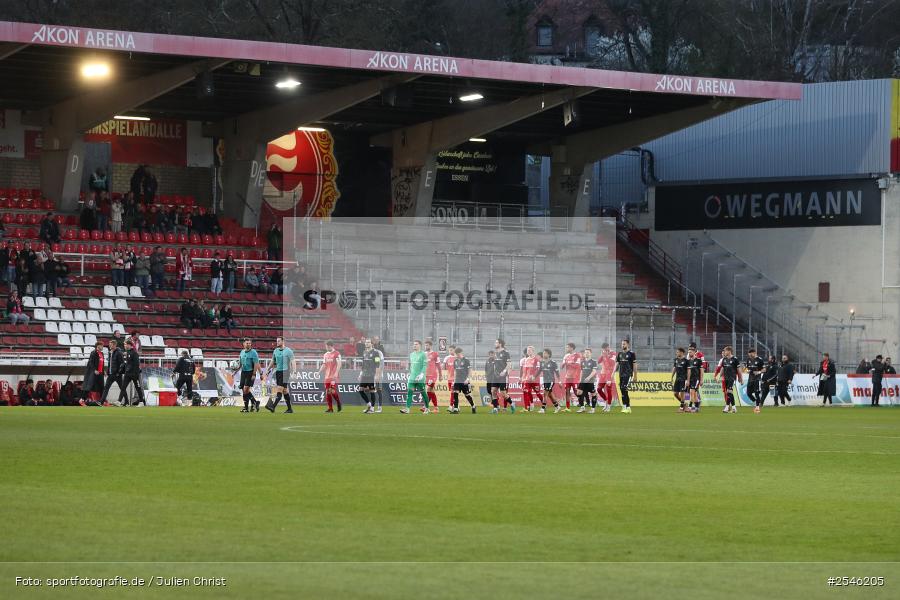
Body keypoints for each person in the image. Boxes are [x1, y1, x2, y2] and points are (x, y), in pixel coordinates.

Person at [267, 336, 296, 413]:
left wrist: (294, 371)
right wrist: (268, 369)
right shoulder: (275, 351)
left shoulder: (288, 351)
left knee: (279, 389)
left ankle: (273, 407)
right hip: (278, 372)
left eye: (279, 341)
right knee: (285, 391)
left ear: (283, 341)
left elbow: (293, 361)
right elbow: (273, 361)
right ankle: (289, 409)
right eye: (277, 341)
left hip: (286, 371)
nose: (277, 342)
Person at [714, 346, 743, 414]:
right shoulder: (724, 359)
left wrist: (740, 378)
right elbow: (722, 369)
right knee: (729, 393)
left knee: (729, 391)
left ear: (729, 351)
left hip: (732, 378)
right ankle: (734, 407)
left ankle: (727, 407)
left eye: (725, 351)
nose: (724, 352)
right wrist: (719, 376)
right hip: (726, 378)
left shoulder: (735, 359)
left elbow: (739, 370)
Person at [118, 339, 146, 406]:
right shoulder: (127, 353)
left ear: (129, 345)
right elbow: (128, 364)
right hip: (128, 374)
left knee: (138, 388)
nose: (124, 346)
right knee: (123, 387)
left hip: (134, 374)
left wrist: (136, 374)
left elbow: (136, 364)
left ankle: (141, 402)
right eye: (124, 344)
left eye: (125, 344)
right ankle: (119, 401)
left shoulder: (134, 353)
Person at [403, 340, 427, 415]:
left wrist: (422, 374)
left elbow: (425, 365)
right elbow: (411, 366)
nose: (414, 346)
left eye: (416, 344)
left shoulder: (423, 354)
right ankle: (407, 409)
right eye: (414, 344)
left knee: (423, 393)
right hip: (412, 377)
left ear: (420, 345)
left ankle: (427, 408)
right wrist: (409, 374)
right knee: (409, 392)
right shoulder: (411, 354)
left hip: (420, 378)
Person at [449, 347, 476, 414]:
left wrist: (468, 379)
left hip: (464, 380)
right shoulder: (455, 361)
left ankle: (473, 406)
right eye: (456, 354)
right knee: (455, 393)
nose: (456, 356)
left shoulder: (466, 360)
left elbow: (470, 370)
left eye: (457, 354)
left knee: (467, 395)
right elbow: (455, 371)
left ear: (460, 353)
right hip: (457, 380)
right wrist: (454, 381)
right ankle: (455, 409)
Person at [359, 338, 382, 414]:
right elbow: (363, 364)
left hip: (371, 375)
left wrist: (377, 375)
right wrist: (360, 374)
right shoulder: (364, 352)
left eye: (368, 342)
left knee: (372, 391)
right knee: (361, 390)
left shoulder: (376, 353)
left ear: (372, 344)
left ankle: (372, 408)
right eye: (366, 342)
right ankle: (368, 404)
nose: (367, 343)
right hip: (364, 374)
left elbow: (378, 364)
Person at [238, 338, 261, 412]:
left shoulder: (253, 352)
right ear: (243, 344)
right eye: (247, 343)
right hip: (243, 372)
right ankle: (253, 403)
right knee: (244, 390)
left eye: (249, 343)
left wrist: (254, 374)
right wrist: (234, 371)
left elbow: (256, 364)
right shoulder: (242, 352)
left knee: (246, 390)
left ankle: (247, 406)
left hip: (250, 372)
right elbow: (240, 364)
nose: (248, 344)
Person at [99, 339, 124, 406]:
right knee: (106, 388)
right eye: (109, 344)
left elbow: (122, 364)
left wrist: (119, 373)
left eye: (111, 344)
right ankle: (101, 402)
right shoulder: (110, 352)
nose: (110, 346)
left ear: (115, 345)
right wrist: (107, 371)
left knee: (122, 388)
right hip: (110, 374)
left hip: (117, 375)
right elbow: (110, 363)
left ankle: (126, 402)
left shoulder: (119, 352)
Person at [319, 340, 342, 413]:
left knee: (332, 390)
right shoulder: (325, 354)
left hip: (334, 376)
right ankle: (330, 408)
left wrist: (336, 373)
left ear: (330, 346)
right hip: (327, 376)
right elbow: (324, 364)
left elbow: (339, 364)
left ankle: (338, 402)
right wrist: (319, 372)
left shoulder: (337, 353)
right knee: (327, 392)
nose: (325, 347)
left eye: (326, 346)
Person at [615, 339, 637, 414]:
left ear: (628, 344)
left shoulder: (631, 353)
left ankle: (625, 406)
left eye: (624, 344)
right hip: (621, 374)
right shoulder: (619, 354)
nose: (622, 345)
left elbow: (634, 365)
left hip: (628, 374)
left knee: (624, 388)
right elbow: (617, 364)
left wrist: (635, 375)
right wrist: (613, 372)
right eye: (622, 344)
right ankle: (627, 407)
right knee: (623, 390)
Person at [492, 338, 513, 412]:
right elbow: (495, 364)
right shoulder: (495, 353)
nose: (495, 344)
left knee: (503, 393)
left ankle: (512, 403)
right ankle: (495, 408)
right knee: (493, 391)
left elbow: (509, 364)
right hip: (495, 375)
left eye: (496, 342)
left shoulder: (506, 353)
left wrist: (504, 371)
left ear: (500, 344)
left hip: (503, 376)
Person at [520, 345, 543, 412]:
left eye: (529, 350)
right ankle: (526, 407)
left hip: (535, 380)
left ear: (533, 351)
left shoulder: (536, 359)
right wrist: (522, 378)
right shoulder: (526, 360)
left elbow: (539, 369)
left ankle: (544, 404)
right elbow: (525, 370)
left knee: (538, 393)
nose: (528, 352)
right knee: (525, 392)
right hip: (527, 380)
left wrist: (534, 376)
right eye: (527, 350)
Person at [576, 347, 598, 413]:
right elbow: (582, 371)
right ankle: (582, 408)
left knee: (593, 394)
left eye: (588, 352)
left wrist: (588, 378)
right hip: (583, 380)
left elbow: (594, 371)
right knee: (578, 392)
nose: (586, 354)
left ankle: (593, 409)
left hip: (590, 380)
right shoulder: (582, 362)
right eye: (585, 352)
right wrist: (580, 379)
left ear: (591, 353)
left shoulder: (593, 362)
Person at [539, 348, 560, 414]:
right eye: (543, 353)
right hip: (545, 380)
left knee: (545, 393)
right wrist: (534, 376)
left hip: (551, 380)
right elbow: (539, 370)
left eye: (545, 353)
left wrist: (559, 381)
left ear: (549, 354)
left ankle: (543, 408)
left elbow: (557, 372)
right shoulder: (541, 362)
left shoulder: (553, 363)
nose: (543, 354)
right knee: (550, 395)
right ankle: (557, 406)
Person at [560, 342, 580, 412]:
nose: (566, 348)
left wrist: (568, 363)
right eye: (566, 347)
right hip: (567, 377)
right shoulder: (566, 356)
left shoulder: (577, 355)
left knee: (575, 391)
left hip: (574, 377)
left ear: (572, 348)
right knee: (567, 391)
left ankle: (583, 404)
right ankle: (567, 408)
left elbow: (577, 366)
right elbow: (562, 366)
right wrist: (563, 364)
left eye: (568, 347)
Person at [423, 339, 441, 413]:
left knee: (428, 390)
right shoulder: (423, 354)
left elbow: (438, 365)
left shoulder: (435, 354)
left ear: (430, 346)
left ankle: (425, 407)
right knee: (431, 391)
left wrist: (440, 375)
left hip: (433, 375)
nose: (426, 346)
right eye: (425, 345)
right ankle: (436, 408)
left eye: (427, 345)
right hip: (426, 375)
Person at [745, 348, 765, 413]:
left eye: (751, 354)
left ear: (754, 353)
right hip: (750, 379)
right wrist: (747, 370)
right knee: (748, 393)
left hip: (757, 379)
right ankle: (756, 402)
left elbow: (764, 369)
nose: (750, 356)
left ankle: (757, 408)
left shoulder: (760, 360)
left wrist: (759, 372)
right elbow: (746, 368)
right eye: (749, 355)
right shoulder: (748, 360)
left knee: (756, 393)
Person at [686, 347, 705, 412]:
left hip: (696, 379)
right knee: (695, 394)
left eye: (690, 352)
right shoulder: (688, 361)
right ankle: (697, 407)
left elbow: (701, 370)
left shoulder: (698, 360)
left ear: (694, 352)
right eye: (688, 352)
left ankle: (690, 407)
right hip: (690, 379)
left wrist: (701, 380)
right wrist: (687, 380)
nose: (689, 353)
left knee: (692, 392)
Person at [671, 347, 689, 412]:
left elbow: (688, 371)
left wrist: (688, 380)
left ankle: (681, 408)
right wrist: (672, 377)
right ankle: (684, 404)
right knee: (675, 393)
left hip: (683, 379)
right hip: (677, 378)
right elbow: (674, 368)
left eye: (678, 352)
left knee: (682, 393)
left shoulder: (686, 361)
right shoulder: (676, 360)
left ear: (681, 352)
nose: (677, 353)